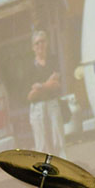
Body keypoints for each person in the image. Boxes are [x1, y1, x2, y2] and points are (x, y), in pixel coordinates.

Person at [27, 29, 66, 157]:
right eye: (37, 43)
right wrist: (48, 83)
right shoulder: (29, 67)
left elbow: (56, 85)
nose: (40, 45)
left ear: (47, 43)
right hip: (37, 108)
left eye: (42, 41)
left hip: (52, 103)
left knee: (58, 140)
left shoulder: (53, 60)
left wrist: (40, 86)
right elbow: (30, 95)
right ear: (33, 47)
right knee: (42, 144)